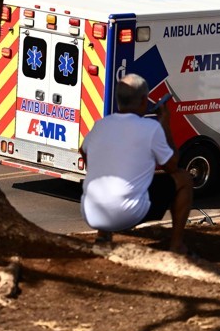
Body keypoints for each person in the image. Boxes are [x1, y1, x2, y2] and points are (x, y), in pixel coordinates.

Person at [80, 73, 193, 254]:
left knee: (108, 181)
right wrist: (165, 124)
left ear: (118, 101)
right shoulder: (151, 128)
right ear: (143, 101)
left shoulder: (100, 125)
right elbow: (172, 166)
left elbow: (83, 150)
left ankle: (102, 237)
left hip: (91, 213)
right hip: (127, 215)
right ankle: (177, 245)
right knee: (184, 178)